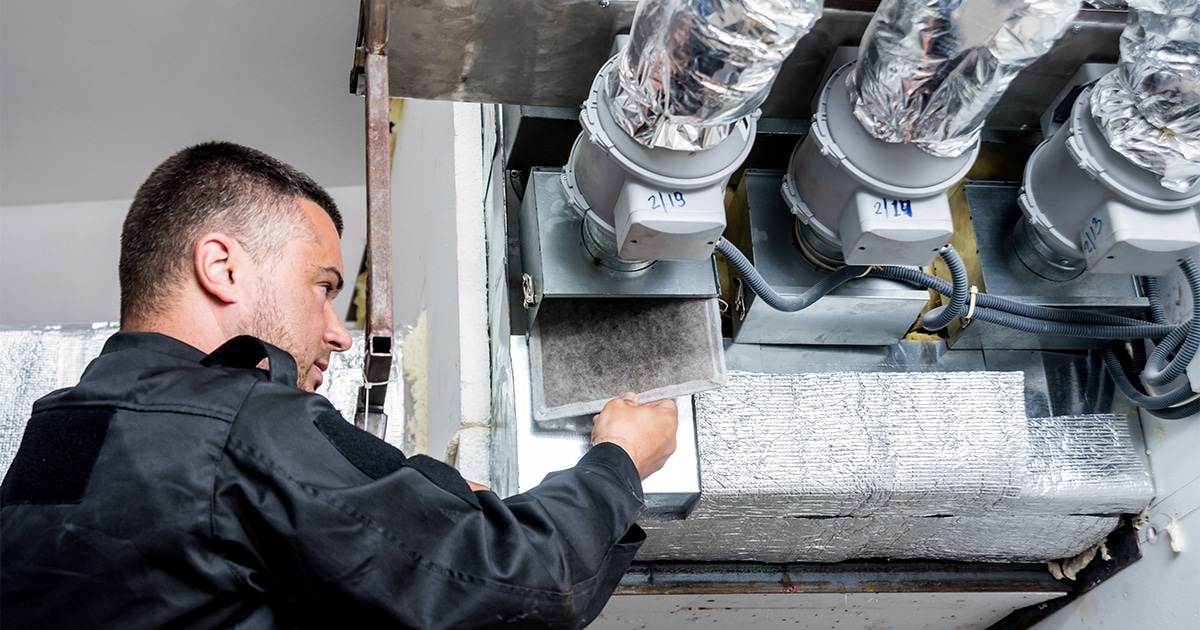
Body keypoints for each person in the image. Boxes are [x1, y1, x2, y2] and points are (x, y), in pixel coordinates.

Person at [0, 141, 679, 629]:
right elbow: (513, 585)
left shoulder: (53, 442)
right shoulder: (239, 423)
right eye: (322, 287)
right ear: (222, 267)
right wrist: (616, 464)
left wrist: (427, 499)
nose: (339, 333)